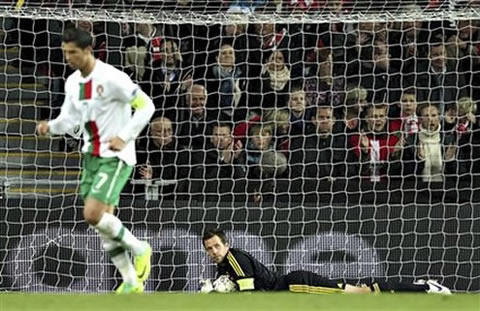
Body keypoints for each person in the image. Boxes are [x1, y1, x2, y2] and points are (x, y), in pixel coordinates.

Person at [36, 28, 154, 294]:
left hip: (115, 156)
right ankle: (131, 281)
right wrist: (50, 127)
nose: (68, 58)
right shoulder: (72, 82)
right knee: (103, 223)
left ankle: (140, 248)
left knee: (92, 214)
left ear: (88, 51)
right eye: (65, 53)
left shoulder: (113, 78)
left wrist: (124, 136)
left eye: (73, 53)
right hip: (90, 155)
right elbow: (68, 120)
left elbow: (147, 106)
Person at [201, 228, 452, 294]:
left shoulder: (234, 258)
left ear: (226, 245)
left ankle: (426, 287)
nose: (213, 251)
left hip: (297, 286)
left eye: (216, 246)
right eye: (209, 248)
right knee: (362, 292)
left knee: (363, 293)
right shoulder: (223, 263)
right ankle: (421, 286)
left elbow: (247, 295)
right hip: (292, 287)